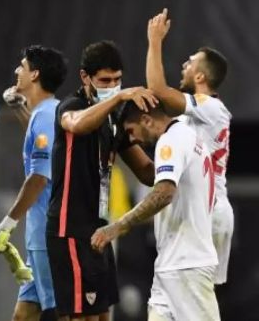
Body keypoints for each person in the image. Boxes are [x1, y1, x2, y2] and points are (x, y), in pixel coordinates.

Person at [46, 40, 158, 320]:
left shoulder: (114, 121)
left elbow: (146, 172)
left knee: (102, 315)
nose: (113, 85)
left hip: (100, 230)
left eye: (118, 80)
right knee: (79, 317)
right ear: (85, 77)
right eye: (105, 80)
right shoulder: (71, 106)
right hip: (69, 229)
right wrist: (118, 99)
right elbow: (77, 124)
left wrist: (179, 152)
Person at [92, 102, 220, 320]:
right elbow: (158, 179)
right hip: (172, 264)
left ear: (147, 120)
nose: (132, 139)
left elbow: (163, 193)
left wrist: (118, 226)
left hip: (186, 265)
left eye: (131, 131)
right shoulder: (189, 136)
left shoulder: (171, 140)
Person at [144, 9, 234, 286]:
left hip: (209, 210)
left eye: (191, 62)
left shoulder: (211, 107)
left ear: (200, 77)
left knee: (197, 297)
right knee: (193, 298)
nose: (185, 64)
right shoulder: (192, 116)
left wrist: (155, 41)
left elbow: (158, 89)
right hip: (203, 209)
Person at [0, 46, 68, 321]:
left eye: (21, 66)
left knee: (56, 313)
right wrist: (19, 106)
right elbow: (42, 148)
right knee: (23, 315)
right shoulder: (47, 113)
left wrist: (7, 224)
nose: (16, 71)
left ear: (34, 74)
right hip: (41, 233)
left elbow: (39, 176)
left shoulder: (46, 115)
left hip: (48, 232)